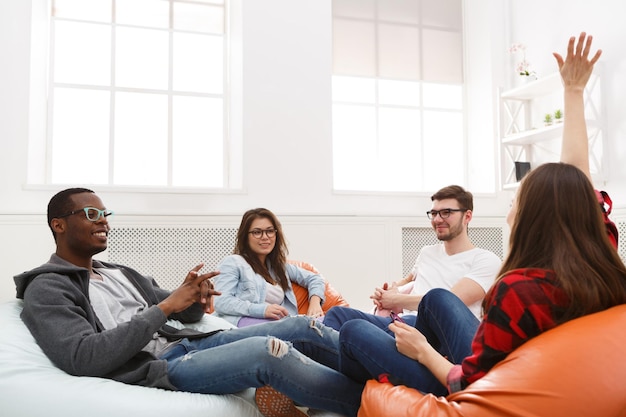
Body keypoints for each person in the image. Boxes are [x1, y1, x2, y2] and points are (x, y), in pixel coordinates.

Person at [337, 32, 626, 398]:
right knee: (434, 300)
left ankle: (337, 376)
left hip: (479, 380)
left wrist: (423, 353)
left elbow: (471, 383)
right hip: (507, 362)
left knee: (352, 334)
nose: (508, 213)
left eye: (514, 203)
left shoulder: (519, 290)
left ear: (533, 218)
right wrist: (573, 91)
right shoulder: (601, 261)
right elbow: (578, 180)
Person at [14, 188, 363, 417]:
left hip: (188, 343)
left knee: (301, 325)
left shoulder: (120, 271)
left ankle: (388, 376)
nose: (104, 220)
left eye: (105, 213)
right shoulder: (47, 287)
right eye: (91, 213)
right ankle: (373, 404)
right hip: (161, 364)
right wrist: (165, 308)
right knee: (266, 350)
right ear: (58, 225)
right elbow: (83, 358)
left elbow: (187, 311)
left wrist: (194, 296)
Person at [323, 185, 501, 333]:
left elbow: (447, 303)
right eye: (434, 213)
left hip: (437, 331)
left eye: (446, 212)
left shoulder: (486, 260)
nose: (438, 219)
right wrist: (387, 293)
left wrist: (395, 300)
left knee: (353, 328)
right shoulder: (427, 252)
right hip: (405, 322)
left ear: (467, 216)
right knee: (337, 315)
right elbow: (408, 280)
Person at [213, 208, 326, 327]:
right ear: (245, 237)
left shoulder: (280, 267)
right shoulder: (233, 262)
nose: (265, 237)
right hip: (244, 324)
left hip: (279, 324)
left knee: (338, 315)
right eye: (257, 232)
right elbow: (222, 302)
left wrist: (315, 303)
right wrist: (262, 310)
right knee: (311, 327)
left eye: (270, 231)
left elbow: (315, 278)